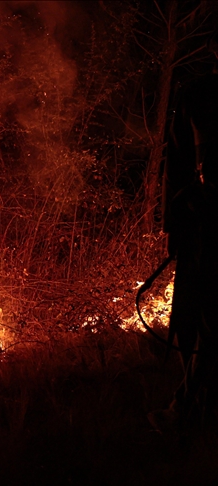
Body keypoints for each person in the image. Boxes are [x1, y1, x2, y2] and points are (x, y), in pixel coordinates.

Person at [151, 40, 218, 434]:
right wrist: (173, 230)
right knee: (194, 321)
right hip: (202, 227)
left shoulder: (197, 94)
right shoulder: (196, 95)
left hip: (205, 227)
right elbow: (174, 165)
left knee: (209, 324)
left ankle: (185, 412)